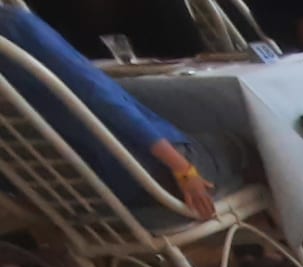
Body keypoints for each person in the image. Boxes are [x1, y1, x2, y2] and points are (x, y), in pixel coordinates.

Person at [0, 4, 240, 220]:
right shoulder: (14, 26)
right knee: (242, 141)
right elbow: (98, 96)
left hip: (83, 199)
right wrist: (183, 169)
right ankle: (252, 247)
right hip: (149, 178)